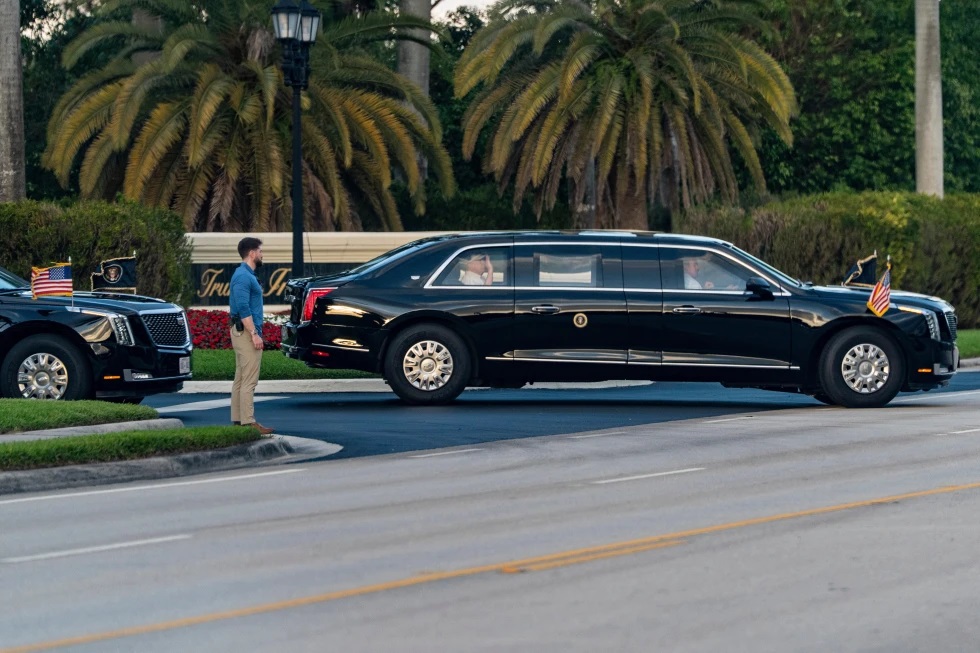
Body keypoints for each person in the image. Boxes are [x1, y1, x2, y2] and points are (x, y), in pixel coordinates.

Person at [229, 237, 274, 435]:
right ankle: (248, 422)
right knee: (249, 380)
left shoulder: (245, 275)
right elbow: (242, 307)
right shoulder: (242, 277)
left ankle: (239, 422)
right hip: (246, 332)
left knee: (241, 379)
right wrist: (254, 334)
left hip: (242, 331)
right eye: (260, 251)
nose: (262, 254)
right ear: (252, 253)